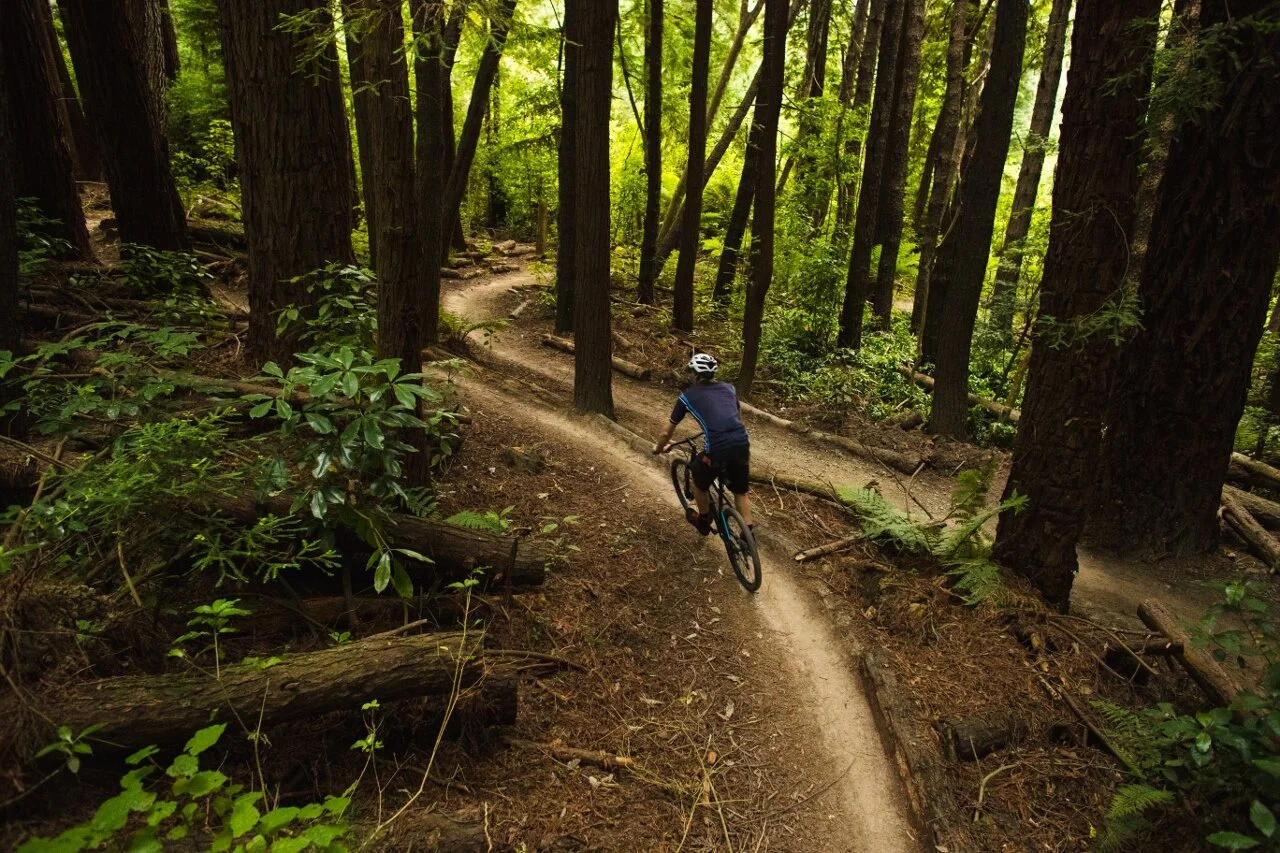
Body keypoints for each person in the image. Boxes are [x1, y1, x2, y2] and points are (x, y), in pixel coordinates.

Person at [652, 353, 754, 536]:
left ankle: (704, 520)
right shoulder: (730, 389)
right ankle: (748, 534)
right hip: (741, 442)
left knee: (699, 484)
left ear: (695, 374)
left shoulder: (686, 397)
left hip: (717, 449)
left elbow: (666, 432)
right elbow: (736, 418)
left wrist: (658, 448)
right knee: (741, 492)